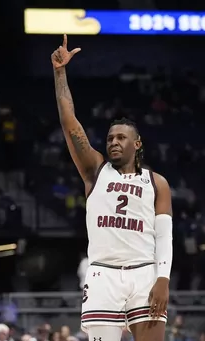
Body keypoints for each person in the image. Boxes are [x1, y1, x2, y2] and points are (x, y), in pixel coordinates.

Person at [51, 34, 173, 341]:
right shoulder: (95, 170)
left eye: (120, 138)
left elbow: (164, 236)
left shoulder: (157, 182)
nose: (113, 142)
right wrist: (60, 73)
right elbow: (70, 123)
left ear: (137, 143)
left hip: (145, 272)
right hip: (103, 273)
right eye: (109, 138)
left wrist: (163, 279)